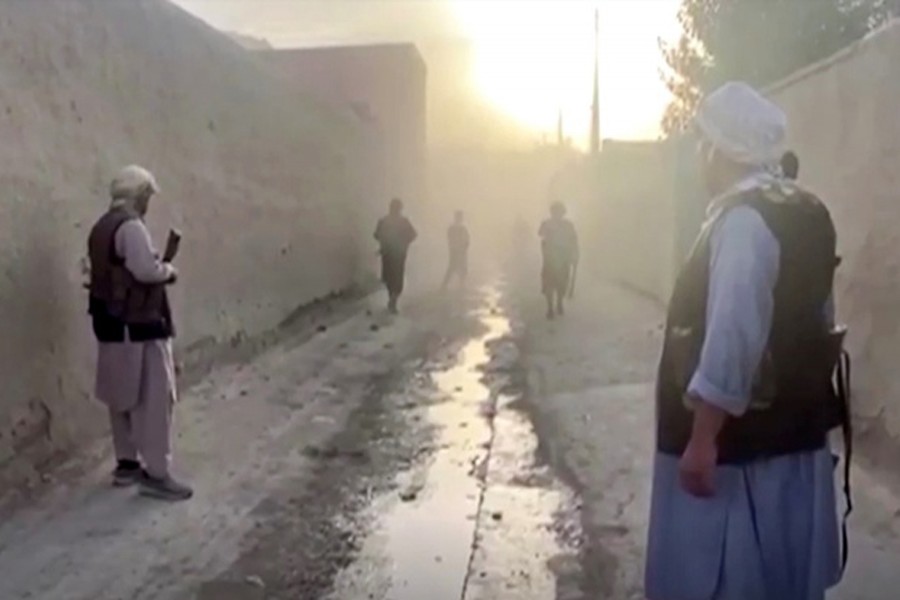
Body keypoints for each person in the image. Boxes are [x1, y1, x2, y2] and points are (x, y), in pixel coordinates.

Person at [646, 82, 845, 599]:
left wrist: (703, 438)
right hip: (793, 439)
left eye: (701, 143)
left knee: (731, 578)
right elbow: (819, 318)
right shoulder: (803, 210)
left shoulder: (742, 223)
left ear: (718, 150)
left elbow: (734, 335)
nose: (697, 157)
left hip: (740, 458)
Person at [87, 165, 193, 501]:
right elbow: (145, 271)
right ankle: (156, 474)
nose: (149, 201)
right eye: (148, 194)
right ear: (139, 194)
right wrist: (169, 270)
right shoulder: (131, 227)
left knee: (121, 396)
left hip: (112, 325)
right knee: (152, 399)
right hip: (139, 325)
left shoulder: (101, 227)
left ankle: (127, 464)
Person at [374, 198, 417, 314]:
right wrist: (404, 243)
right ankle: (393, 299)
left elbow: (377, 235)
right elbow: (413, 235)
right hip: (397, 254)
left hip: (390, 253)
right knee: (395, 277)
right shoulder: (402, 222)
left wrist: (385, 242)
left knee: (390, 277)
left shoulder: (384, 221)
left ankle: (392, 299)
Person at [538, 202, 578, 319]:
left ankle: (559, 302)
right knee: (549, 283)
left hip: (563, 257)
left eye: (559, 212)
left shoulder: (568, 225)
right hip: (550, 258)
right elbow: (540, 234)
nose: (557, 214)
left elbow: (573, 241)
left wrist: (574, 255)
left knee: (561, 283)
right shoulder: (547, 224)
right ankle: (550, 307)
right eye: (555, 212)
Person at [441, 210, 470, 290]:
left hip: (456, 250)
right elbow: (466, 239)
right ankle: (447, 285)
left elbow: (466, 239)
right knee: (455, 267)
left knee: (457, 267)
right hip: (457, 250)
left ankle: (460, 284)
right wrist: (463, 247)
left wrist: (463, 247)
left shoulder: (455, 228)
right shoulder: (460, 228)